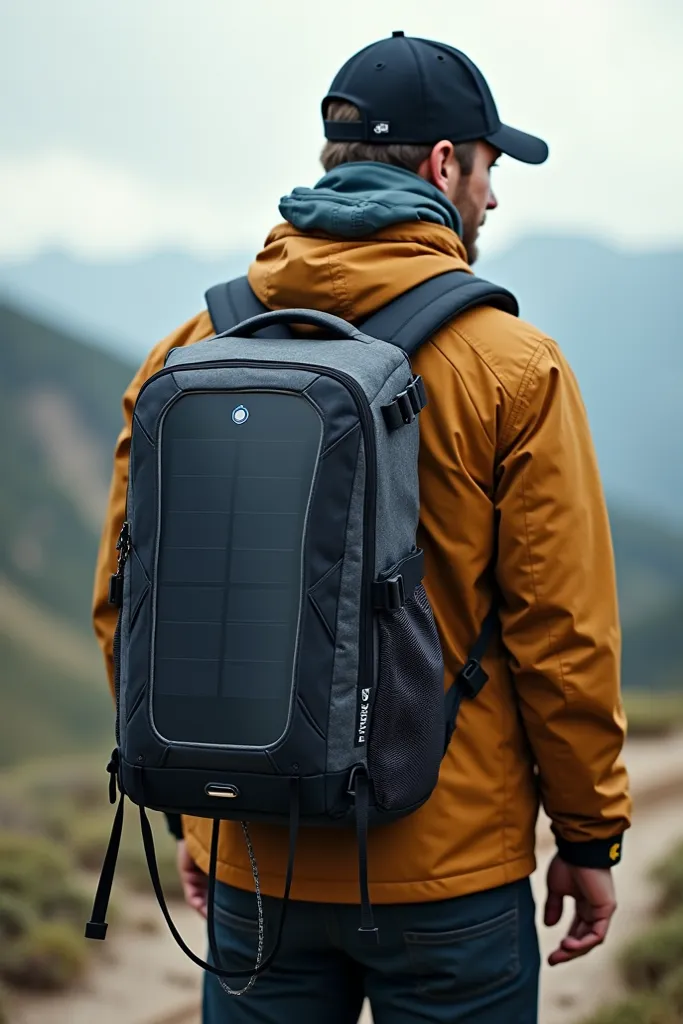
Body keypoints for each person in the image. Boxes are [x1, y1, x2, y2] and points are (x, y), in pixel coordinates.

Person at [93, 31, 631, 1024]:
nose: (493, 197)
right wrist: (589, 839)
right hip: (450, 881)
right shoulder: (515, 366)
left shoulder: (193, 349)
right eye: (488, 167)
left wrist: (205, 817)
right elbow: (561, 639)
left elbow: (126, 604)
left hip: (258, 854)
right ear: (441, 166)